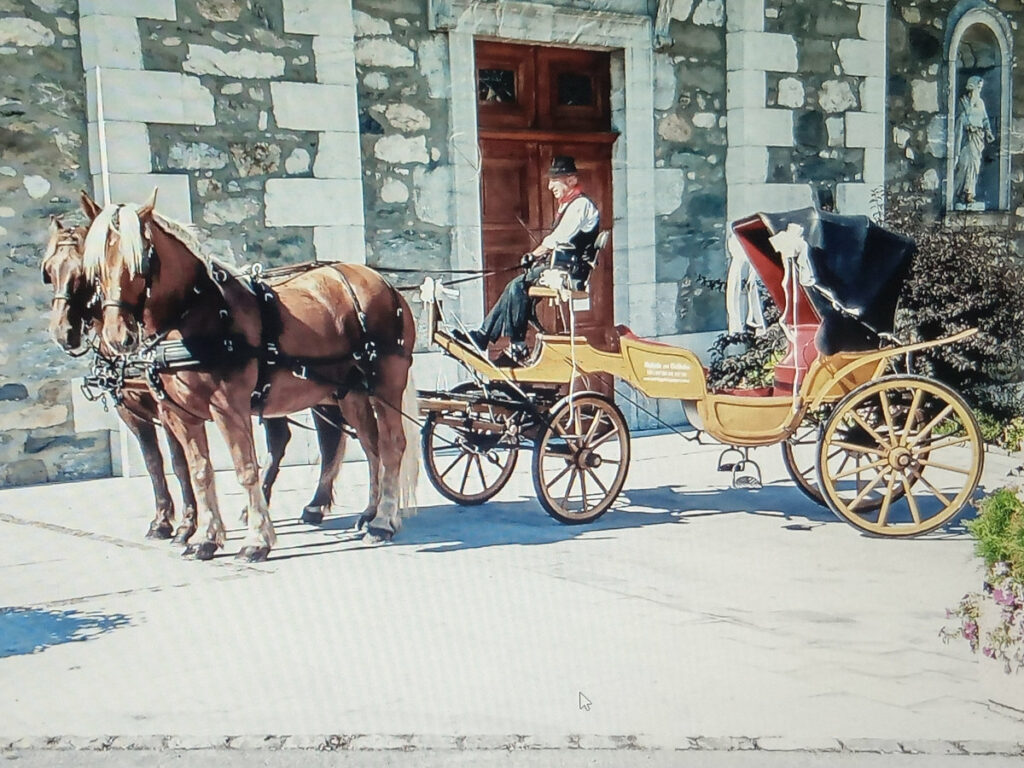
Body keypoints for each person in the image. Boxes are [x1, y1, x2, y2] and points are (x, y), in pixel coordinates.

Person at [455, 155, 600, 363]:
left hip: (571, 272)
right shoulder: (570, 204)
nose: (550, 186)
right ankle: (485, 336)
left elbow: (557, 239)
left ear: (571, 180)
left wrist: (534, 255)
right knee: (515, 286)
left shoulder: (580, 205)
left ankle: (514, 345)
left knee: (517, 287)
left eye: (554, 180)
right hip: (561, 266)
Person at [953, 75, 995, 207]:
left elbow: (985, 119)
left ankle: (969, 193)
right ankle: (958, 193)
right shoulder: (963, 102)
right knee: (964, 164)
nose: (980, 90)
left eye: (981, 88)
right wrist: (966, 124)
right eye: (978, 87)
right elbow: (959, 119)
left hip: (978, 138)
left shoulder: (980, 102)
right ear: (972, 87)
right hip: (966, 138)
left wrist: (988, 132)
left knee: (975, 165)